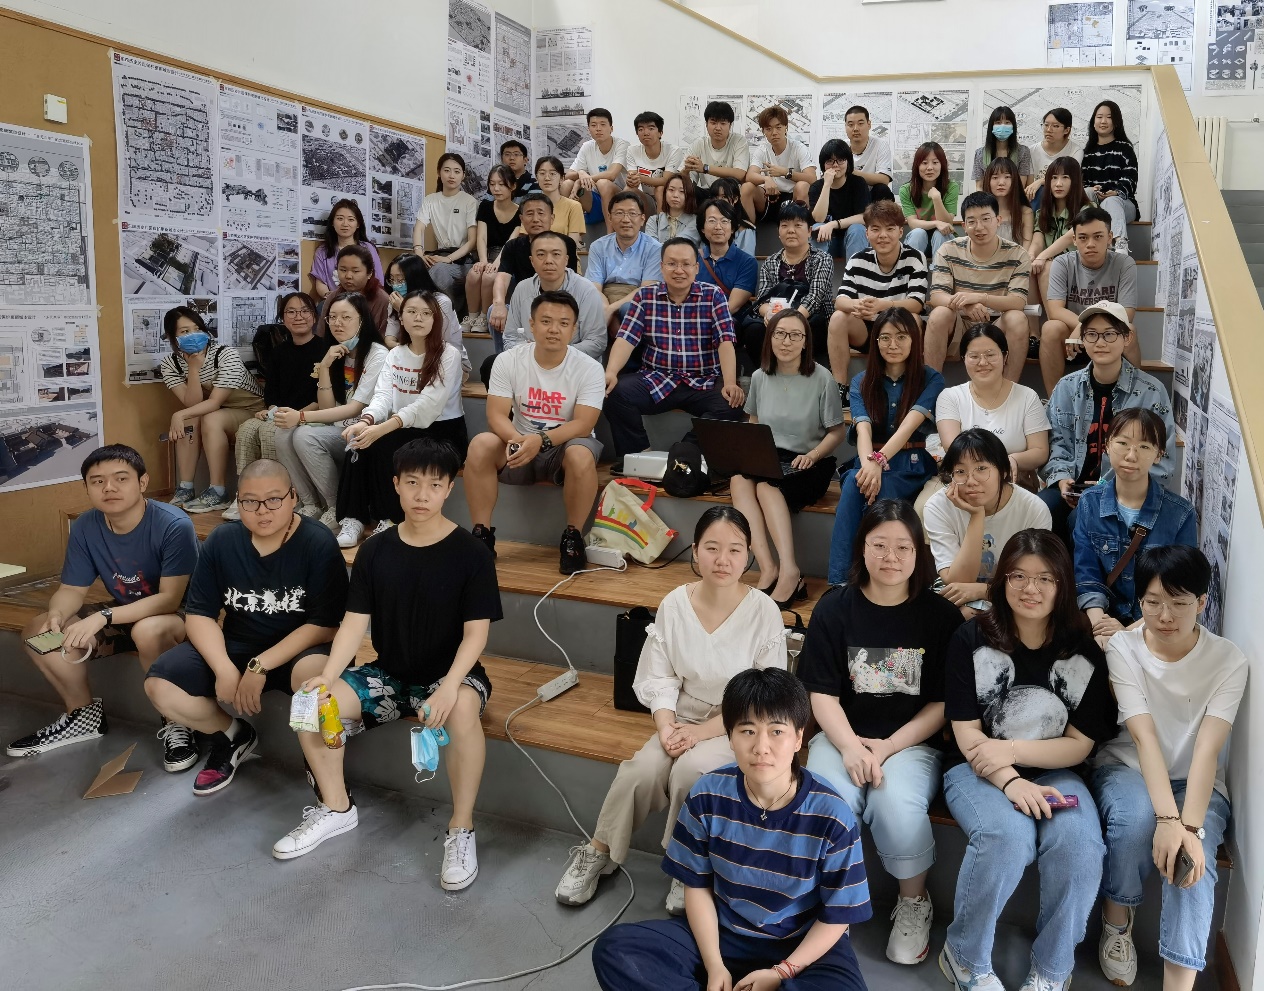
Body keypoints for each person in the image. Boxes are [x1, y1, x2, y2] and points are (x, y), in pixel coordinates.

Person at [277, 439, 501, 893]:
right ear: (396, 485)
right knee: (311, 702)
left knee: (461, 708)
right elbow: (353, 622)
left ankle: (461, 829)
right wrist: (329, 674)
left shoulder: (471, 553)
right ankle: (336, 808)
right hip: (389, 675)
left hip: (452, 677)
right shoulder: (376, 550)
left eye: (434, 485)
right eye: (412, 483)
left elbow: (476, 634)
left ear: (449, 489)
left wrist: (449, 686)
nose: (422, 495)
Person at [557, 507, 787, 914]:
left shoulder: (764, 611)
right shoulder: (676, 603)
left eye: (735, 550)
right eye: (712, 548)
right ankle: (599, 851)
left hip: (740, 723)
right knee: (641, 770)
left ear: (749, 555)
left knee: (690, 772)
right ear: (695, 551)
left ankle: (687, 866)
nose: (723, 559)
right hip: (681, 714)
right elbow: (660, 675)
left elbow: (763, 696)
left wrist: (701, 733)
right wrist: (665, 726)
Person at [591, 667, 872, 991]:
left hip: (800, 943)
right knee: (616, 950)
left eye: (776, 731)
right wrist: (714, 965)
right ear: (729, 737)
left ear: (798, 738)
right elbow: (696, 886)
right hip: (724, 934)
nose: (761, 747)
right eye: (747, 731)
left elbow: (838, 914)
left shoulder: (833, 814)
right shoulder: (707, 795)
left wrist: (782, 973)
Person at [940, 529, 1118, 991]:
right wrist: (1010, 779)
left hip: (1058, 769)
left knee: (1080, 846)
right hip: (976, 770)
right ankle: (964, 957)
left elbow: (1080, 744)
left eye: (1044, 578)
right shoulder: (970, 638)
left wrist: (1014, 751)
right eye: (1018, 576)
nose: (1030, 588)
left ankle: (1052, 970)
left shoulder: (1082, 650)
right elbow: (966, 733)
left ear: (1062, 585)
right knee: (1006, 837)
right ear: (1001, 580)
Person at [799, 500, 964, 966]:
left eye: (903, 547)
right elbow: (821, 693)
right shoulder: (834, 608)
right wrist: (850, 746)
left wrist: (889, 746)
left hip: (911, 743)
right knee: (828, 797)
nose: (891, 557)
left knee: (895, 803)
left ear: (919, 553)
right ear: (862, 548)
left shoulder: (940, 617)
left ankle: (913, 901)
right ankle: (832, 903)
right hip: (842, 735)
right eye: (879, 545)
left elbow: (943, 704)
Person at [1089, 546, 1247, 991]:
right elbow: (1143, 737)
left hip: (1196, 782)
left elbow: (1208, 750)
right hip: (1127, 766)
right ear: (1139, 601)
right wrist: (1165, 819)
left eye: (1179, 603)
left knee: (1192, 861)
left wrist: (1189, 829)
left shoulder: (1228, 660)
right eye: (1152, 602)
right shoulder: (1123, 649)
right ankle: (1117, 920)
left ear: (1202, 602)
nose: (1165, 615)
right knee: (1135, 821)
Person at [144, 459, 348, 797]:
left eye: (273, 499)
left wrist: (260, 665)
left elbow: (325, 625)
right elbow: (199, 615)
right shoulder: (222, 540)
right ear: (238, 501)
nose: (262, 510)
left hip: (301, 650)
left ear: (293, 497)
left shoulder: (317, 542)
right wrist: (224, 668)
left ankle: (321, 767)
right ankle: (233, 735)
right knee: (160, 686)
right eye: (250, 501)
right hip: (238, 645)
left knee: (316, 684)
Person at [7, 445, 199, 770]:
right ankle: (83, 716)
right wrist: (57, 614)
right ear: (87, 487)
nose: (108, 488)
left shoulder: (173, 524)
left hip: (180, 616)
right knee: (39, 631)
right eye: (97, 481)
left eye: (121, 478)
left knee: (149, 630)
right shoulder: (86, 525)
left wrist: (103, 617)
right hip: (124, 611)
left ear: (142, 482)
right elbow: (72, 589)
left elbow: (169, 599)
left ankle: (177, 720)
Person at [466, 291, 604, 574]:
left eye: (563, 323)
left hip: (565, 446)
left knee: (580, 454)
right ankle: (481, 536)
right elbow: (496, 415)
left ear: (574, 329)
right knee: (480, 444)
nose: (554, 329)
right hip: (518, 442)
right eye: (546, 321)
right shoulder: (508, 360)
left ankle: (573, 538)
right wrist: (519, 441)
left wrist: (540, 441)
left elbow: (584, 424)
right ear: (531, 325)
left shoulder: (589, 368)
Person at [336, 290, 467, 548]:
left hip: (442, 432)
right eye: (411, 312)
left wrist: (382, 429)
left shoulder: (448, 354)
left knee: (388, 447)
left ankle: (390, 519)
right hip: (402, 426)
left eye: (426, 313)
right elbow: (383, 395)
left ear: (435, 320)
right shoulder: (395, 354)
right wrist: (366, 421)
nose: (418, 318)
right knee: (357, 443)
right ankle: (353, 518)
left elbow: (428, 406)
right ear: (401, 318)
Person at [733, 310, 847, 608]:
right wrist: (749, 454)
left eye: (795, 335)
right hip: (770, 456)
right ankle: (768, 568)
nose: (786, 341)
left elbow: (837, 431)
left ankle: (790, 570)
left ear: (806, 341)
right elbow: (754, 422)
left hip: (810, 461)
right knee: (738, 480)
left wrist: (813, 454)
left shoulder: (822, 378)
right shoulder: (759, 377)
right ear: (770, 338)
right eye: (780, 333)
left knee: (765, 486)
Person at [1040, 301, 1174, 545]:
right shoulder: (1067, 387)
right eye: (1091, 334)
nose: (1100, 342)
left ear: (1127, 338)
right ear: (1083, 340)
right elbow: (1056, 441)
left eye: (1110, 334)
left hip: (1125, 490)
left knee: (1084, 516)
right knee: (1041, 508)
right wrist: (1061, 479)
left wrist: (1109, 487)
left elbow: (1162, 460)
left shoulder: (1151, 392)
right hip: (1072, 487)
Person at [827, 308, 943, 587]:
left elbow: (908, 427)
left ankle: (872, 581)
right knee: (855, 484)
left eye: (901, 337)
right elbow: (862, 428)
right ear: (875, 341)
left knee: (878, 493)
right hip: (868, 460)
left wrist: (878, 461)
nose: (893, 344)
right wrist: (870, 464)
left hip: (910, 463)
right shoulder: (861, 380)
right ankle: (841, 584)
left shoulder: (931, 379)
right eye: (885, 338)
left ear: (914, 339)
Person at [603, 238, 744, 458]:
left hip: (703, 380)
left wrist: (730, 383)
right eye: (671, 264)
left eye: (686, 264)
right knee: (615, 394)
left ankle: (683, 454)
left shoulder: (713, 295)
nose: (679, 270)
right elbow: (626, 339)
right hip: (656, 378)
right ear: (661, 267)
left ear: (696, 268)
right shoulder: (645, 296)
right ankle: (639, 456)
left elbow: (725, 341)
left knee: (731, 405)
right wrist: (611, 372)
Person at [1073, 410, 1196, 639]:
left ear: (1159, 454)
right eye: (1123, 443)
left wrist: (1127, 633)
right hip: (1101, 621)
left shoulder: (1181, 514)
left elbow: (1180, 587)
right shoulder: (1090, 503)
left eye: (1144, 447)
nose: (1131, 456)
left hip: (1155, 625)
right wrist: (1101, 628)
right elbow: (1087, 574)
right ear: (1107, 446)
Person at [274, 292, 389, 531]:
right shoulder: (335, 351)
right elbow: (328, 407)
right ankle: (310, 504)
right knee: (283, 434)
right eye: (332, 317)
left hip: (366, 433)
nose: (337, 323)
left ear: (362, 320)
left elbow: (355, 408)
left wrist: (301, 416)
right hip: (339, 431)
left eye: (346, 317)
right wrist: (325, 367)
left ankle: (338, 507)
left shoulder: (377, 354)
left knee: (304, 435)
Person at [224, 292, 331, 521]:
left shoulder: (325, 350)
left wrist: (297, 414)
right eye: (291, 312)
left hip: (309, 414)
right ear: (283, 318)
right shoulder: (279, 352)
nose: (298, 316)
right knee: (247, 430)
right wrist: (270, 408)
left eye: (304, 311)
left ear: (314, 317)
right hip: (279, 413)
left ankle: (280, 494)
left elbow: (323, 398)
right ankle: (245, 494)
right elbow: (272, 391)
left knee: (269, 431)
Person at [924, 429, 1053, 618]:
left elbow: (1033, 581)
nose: (971, 481)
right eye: (960, 472)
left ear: (1003, 471)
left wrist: (984, 591)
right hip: (959, 595)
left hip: (1017, 596)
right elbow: (958, 582)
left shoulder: (1033, 510)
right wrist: (977, 515)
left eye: (981, 469)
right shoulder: (938, 506)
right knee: (957, 614)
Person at [162, 306, 264, 514]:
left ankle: (218, 491)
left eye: (197, 329)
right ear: (173, 337)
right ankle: (185, 488)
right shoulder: (170, 363)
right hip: (217, 410)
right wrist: (193, 369)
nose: (193, 335)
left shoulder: (225, 354)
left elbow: (215, 402)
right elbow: (192, 404)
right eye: (185, 331)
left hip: (250, 409)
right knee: (190, 420)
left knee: (208, 418)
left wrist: (178, 414)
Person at [925, 191, 1031, 382]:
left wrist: (980, 298)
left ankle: (1008, 390)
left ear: (998, 220)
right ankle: (931, 389)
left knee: (1017, 318)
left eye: (986, 219)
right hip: (959, 324)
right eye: (972, 221)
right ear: (964, 226)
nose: (979, 227)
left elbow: (1018, 301)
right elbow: (936, 296)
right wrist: (966, 304)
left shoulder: (1017, 254)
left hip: (997, 326)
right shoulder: (949, 250)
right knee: (939, 314)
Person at [1039, 205, 1140, 395]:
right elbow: (1054, 310)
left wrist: (1086, 326)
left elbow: (1127, 314)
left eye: (1098, 236)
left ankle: (1134, 398)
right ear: (1074, 240)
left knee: (1130, 330)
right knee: (1051, 328)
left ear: (1109, 237)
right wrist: (1082, 326)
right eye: (1083, 238)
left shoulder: (1124, 263)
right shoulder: (1062, 263)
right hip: (1072, 339)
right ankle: (1054, 400)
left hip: (1108, 333)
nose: (1090, 244)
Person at [936, 323, 1050, 489]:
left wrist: (1014, 460)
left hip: (1014, 483)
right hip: (965, 484)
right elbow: (952, 447)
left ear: (1005, 356)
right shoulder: (950, 397)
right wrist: (1001, 463)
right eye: (974, 356)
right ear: (964, 359)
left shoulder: (1027, 396)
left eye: (990, 355)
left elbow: (1040, 450)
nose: (983, 362)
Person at [829, 200, 929, 379]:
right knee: (838, 317)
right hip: (866, 330)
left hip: (899, 327)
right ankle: (840, 386)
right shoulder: (857, 260)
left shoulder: (915, 258)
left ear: (900, 231)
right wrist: (860, 305)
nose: (883, 235)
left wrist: (882, 306)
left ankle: (909, 381)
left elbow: (916, 304)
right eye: (875, 229)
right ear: (867, 233)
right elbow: (841, 301)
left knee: (914, 319)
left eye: (890, 229)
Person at [742, 202, 834, 368]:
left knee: (813, 326)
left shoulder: (822, 259)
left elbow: (814, 298)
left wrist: (789, 323)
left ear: (809, 231)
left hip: (810, 317)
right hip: (777, 319)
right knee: (754, 330)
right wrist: (769, 315)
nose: (791, 230)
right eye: (784, 225)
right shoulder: (770, 262)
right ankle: (768, 372)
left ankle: (802, 371)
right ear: (778, 232)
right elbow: (762, 300)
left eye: (798, 225)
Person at [487, 192, 580, 349]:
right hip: (524, 305)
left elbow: (569, 283)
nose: (536, 219)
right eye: (530, 214)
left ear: (552, 218)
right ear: (522, 219)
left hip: (557, 305)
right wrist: (498, 304)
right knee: (494, 311)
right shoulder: (513, 246)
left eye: (541, 213)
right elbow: (502, 278)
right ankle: (503, 357)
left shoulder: (565, 244)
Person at [586, 191, 663, 335]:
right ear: (609, 218)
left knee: (628, 310)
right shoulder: (598, 246)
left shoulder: (655, 249)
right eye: (619, 213)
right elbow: (594, 288)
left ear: (642, 219)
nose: (626, 219)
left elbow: (646, 289)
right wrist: (605, 308)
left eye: (632, 214)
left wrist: (611, 309)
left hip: (635, 299)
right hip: (604, 296)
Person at [382, 253, 469, 376]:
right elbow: (389, 340)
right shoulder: (396, 300)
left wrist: (403, 310)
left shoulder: (441, 302)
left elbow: (437, 342)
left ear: (415, 278)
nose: (395, 285)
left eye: (400, 280)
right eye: (392, 279)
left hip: (444, 360)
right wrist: (407, 352)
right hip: (410, 357)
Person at [412, 152, 479, 305]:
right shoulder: (430, 200)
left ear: (463, 175)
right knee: (412, 268)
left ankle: (451, 311)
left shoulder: (469, 201)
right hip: (440, 256)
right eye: (447, 170)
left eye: (457, 171)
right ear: (439, 172)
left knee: (439, 270)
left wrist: (448, 259)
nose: (451, 175)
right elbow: (419, 228)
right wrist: (419, 254)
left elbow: (472, 241)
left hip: (464, 261)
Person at [464, 165, 521, 333]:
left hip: (506, 256)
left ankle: (484, 316)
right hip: (485, 253)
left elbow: (510, 243)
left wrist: (496, 264)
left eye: (501, 184)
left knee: (489, 277)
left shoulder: (520, 211)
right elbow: (481, 237)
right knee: (474, 274)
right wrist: (483, 261)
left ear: (513, 186)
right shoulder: (485, 206)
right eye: (492, 183)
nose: (496, 188)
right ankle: (472, 316)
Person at [1028, 156, 1090, 310]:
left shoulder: (1087, 209)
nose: (1058, 183)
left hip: (1079, 268)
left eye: (1065, 177)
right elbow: (1037, 240)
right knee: (1027, 267)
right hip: (1049, 266)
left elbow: (1069, 237)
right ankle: (1033, 326)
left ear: (1075, 181)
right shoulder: (1042, 213)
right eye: (1054, 178)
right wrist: (1031, 256)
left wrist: (1042, 256)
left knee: (1049, 266)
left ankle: (1053, 320)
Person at [1081, 100, 1139, 256]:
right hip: (1096, 203)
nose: (1103, 121)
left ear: (1116, 122)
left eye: (1109, 117)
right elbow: (1082, 182)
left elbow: (1131, 178)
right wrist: (1092, 189)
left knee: (1111, 201)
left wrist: (1116, 192)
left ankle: (1120, 246)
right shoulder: (1087, 152)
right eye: (1099, 117)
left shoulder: (1125, 148)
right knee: (1085, 193)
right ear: (1093, 121)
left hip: (1123, 204)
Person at [741, 105, 816, 223]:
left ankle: (800, 229)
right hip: (769, 197)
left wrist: (786, 172)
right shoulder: (762, 149)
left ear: (786, 127)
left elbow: (812, 178)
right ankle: (748, 231)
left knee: (802, 186)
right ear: (763, 131)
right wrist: (766, 179)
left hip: (793, 197)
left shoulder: (798, 148)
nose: (774, 133)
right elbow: (750, 175)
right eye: (768, 129)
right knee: (746, 187)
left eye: (778, 127)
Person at [563, 107, 630, 226]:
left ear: (611, 128)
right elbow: (568, 175)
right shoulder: (587, 146)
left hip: (620, 197)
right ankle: (562, 229)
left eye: (603, 124)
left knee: (603, 183)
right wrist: (581, 173)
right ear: (588, 129)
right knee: (567, 184)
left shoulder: (622, 145)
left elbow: (611, 174)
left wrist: (579, 181)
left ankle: (610, 232)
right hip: (597, 198)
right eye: (593, 125)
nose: (598, 128)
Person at [808, 139, 871, 260]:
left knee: (858, 229)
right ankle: (817, 271)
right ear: (823, 164)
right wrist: (827, 184)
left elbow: (864, 217)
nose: (835, 165)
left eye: (840, 160)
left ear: (848, 162)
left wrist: (833, 224)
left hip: (852, 240)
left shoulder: (858, 183)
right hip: (827, 240)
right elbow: (819, 218)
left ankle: (855, 271)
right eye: (830, 161)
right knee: (818, 227)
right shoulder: (816, 187)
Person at [309, 199, 383, 301]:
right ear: (332, 222)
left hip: (364, 301)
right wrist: (329, 296)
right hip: (336, 302)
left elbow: (378, 280)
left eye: (351, 219)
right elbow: (320, 282)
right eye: (340, 218)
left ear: (358, 224)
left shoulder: (368, 248)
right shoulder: (322, 251)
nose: (345, 224)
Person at [682, 101, 751, 208]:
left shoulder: (739, 141)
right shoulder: (698, 144)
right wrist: (686, 171)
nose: (718, 128)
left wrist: (705, 168)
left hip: (731, 193)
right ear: (706, 124)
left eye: (723, 123)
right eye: (713, 123)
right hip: (707, 193)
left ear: (730, 125)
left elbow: (740, 174)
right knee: (683, 189)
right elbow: (687, 182)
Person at [696, 198, 758, 317]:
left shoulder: (747, 262)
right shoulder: (693, 259)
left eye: (724, 221)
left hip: (731, 320)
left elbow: (732, 306)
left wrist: (704, 321)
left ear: (733, 228)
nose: (718, 227)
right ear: (702, 228)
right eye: (712, 221)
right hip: (696, 318)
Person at [900, 141, 959, 260]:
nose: (930, 167)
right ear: (917, 166)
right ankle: (911, 270)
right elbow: (912, 223)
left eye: (935, 162)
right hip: (919, 241)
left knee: (940, 234)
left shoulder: (951, 187)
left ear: (942, 165)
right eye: (924, 163)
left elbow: (947, 223)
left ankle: (940, 271)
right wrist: (935, 223)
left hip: (943, 239)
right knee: (918, 233)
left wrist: (937, 199)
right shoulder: (906, 190)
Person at [317, 243, 390, 337]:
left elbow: (384, 339)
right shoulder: (333, 297)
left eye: (355, 271)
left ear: (369, 273)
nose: (348, 276)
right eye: (343, 270)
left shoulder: (382, 300)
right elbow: (322, 334)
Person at [623, 110, 683, 214]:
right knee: (628, 189)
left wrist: (641, 178)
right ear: (637, 133)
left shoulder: (673, 151)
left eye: (651, 128)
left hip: (670, 197)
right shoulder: (632, 150)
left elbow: (666, 180)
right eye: (641, 129)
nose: (646, 133)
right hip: (648, 198)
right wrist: (631, 180)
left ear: (660, 132)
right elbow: (633, 178)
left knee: (660, 188)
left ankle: (660, 223)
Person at [971, 105, 1033, 190]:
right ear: (991, 126)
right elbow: (979, 186)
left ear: (1013, 126)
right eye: (998, 123)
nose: (1003, 126)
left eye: (1007, 122)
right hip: (988, 197)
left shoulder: (1023, 151)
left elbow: (1021, 185)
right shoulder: (980, 154)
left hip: (1014, 197)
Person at [1025, 108, 1081, 201]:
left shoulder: (1075, 151)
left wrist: (1041, 181)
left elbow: (1071, 178)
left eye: (1055, 126)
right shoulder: (1031, 151)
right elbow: (1030, 185)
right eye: (1046, 125)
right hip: (1036, 198)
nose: (1049, 130)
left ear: (1066, 130)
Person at [533, 155, 587, 246]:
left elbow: (572, 243)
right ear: (536, 178)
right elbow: (526, 239)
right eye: (542, 173)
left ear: (562, 179)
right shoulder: (530, 206)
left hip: (564, 253)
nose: (547, 178)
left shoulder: (573, 206)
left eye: (552, 174)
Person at [844, 105, 894, 202]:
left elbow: (884, 179)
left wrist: (851, 172)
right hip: (848, 195)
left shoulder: (880, 145)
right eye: (850, 124)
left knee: (882, 189)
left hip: (872, 196)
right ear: (845, 127)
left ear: (869, 124)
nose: (855, 129)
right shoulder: (841, 146)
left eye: (860, 123)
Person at [982, 157, 1034, 248]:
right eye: (995, 177)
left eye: (1007, 177)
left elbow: (1026, 247)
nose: (1001, 183)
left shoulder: (1025, 212)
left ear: (1015, 180)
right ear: (988, 181)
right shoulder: (981, 211)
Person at [644, 173, 701, 245]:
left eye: (682, 191)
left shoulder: (696, 222)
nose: (675, 195)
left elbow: (680, 245)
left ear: (689, 195)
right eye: (671, 190)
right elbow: (650, 247)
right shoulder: (654, 221)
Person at [706, 176, 758, 254]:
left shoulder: (746, 229)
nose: (719, 201)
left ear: (736, 199)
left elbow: (747, 258)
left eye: (724, 197)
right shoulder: (705, 223)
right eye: (715, 197)